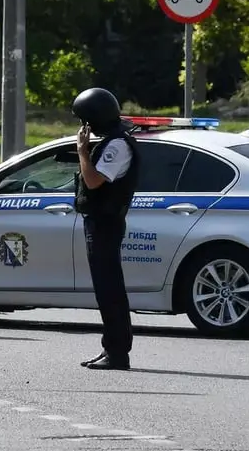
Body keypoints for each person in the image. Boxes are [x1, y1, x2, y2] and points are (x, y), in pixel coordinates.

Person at [72, 87, 141, 371]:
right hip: (100, 222)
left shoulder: (117, 145)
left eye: (85, 120)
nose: (83, 127)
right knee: (106, 288)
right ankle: (111, 349)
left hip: (106, 223)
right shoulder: (112, 141)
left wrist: (82, 151)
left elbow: (93, 181)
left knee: (110, 289)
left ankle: (117, 353)